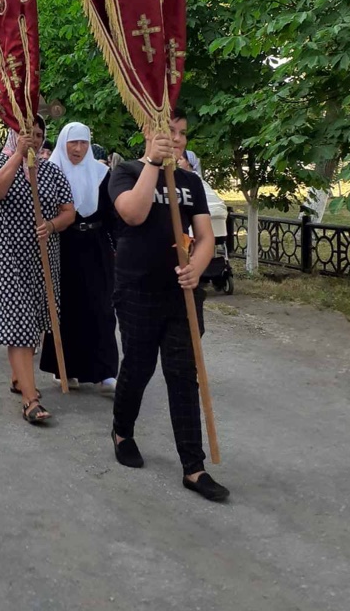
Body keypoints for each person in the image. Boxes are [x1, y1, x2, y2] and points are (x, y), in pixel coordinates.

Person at [108, 115, 229, 502]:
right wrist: (155, 166)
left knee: (183, 374)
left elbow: (206, 236)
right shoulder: (124, 172)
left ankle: (193, 467)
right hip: (137, 288)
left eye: (181, 134)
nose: (176, 139)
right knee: (139, 367)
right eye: (168, 132)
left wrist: (197, 268)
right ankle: (122, 431)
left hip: (181, 294)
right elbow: (133, 213)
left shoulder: (191, 182)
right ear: (148, 132)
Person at [0, 116, 76, 424]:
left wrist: (52, 225)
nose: (31, 139)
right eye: (25, 134)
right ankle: (30, 400)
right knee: (18, 323)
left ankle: (19, 377)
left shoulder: (50, 171)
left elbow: (68, 212)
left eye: (36, 134)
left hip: (41, 257)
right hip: (3, 255)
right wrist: (19, 156)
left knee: (34, 320)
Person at [40, 123, 120, 392]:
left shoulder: (101, 174)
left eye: (83, 143)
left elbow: (112, 216)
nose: (77, 149)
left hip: (96, 247)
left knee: (101, 307)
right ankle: (65, 367)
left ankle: (105, 371)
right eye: (72, 142)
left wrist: (122, 247)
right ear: (63, 143)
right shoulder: (50, 172)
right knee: (66, 309)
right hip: (62, 246)